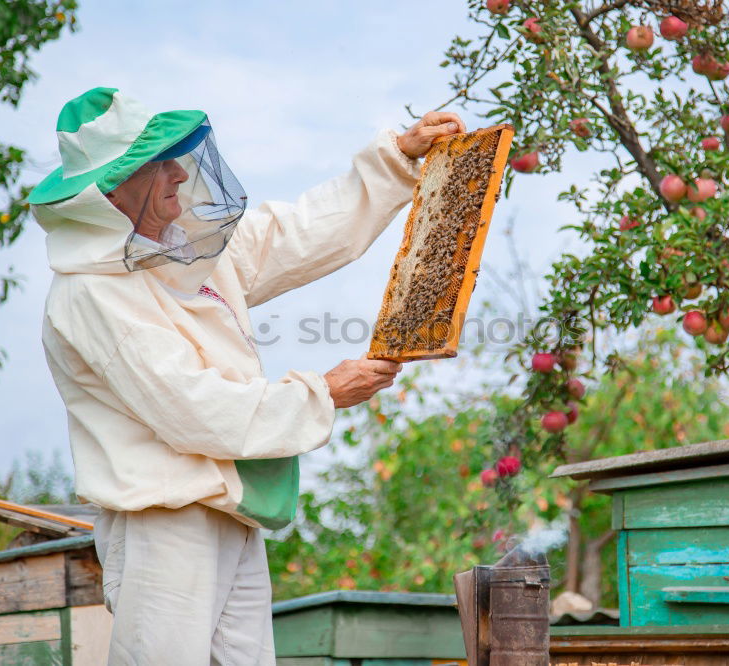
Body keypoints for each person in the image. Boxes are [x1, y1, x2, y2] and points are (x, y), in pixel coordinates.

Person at [28, 87, 464, 664]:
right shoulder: (92, 294)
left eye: (176, 157)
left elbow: (299, 233)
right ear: (112, 189)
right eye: (159, 163)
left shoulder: (186, 253)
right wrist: (324, 394)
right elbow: (194, 409)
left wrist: (397, 159)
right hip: (165, 522)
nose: (179, 176)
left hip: (233, 509)